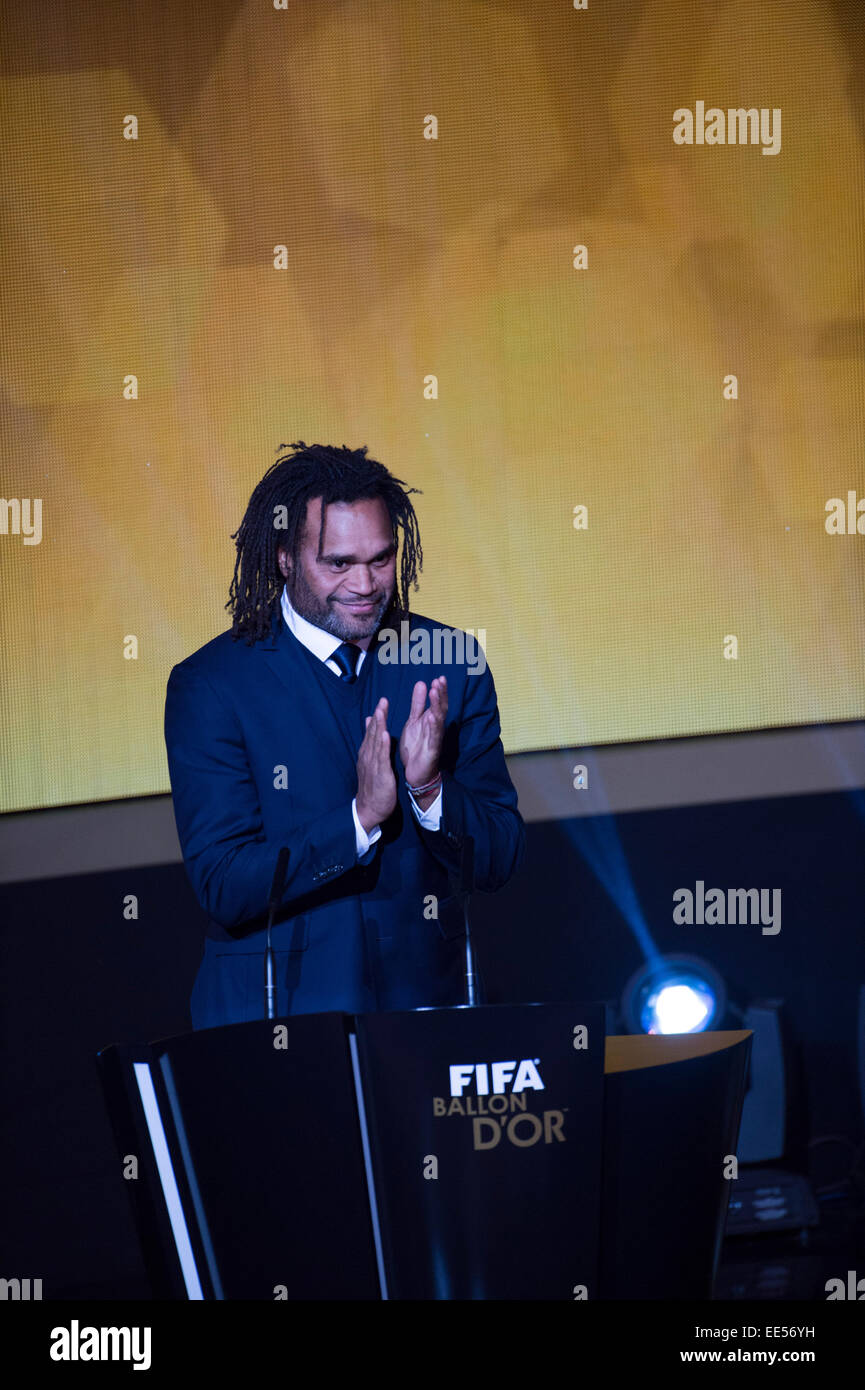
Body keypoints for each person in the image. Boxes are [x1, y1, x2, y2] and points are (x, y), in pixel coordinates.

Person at [164, 441, 525, 1027]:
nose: (365, 584)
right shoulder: (211, 685)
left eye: (381, 559)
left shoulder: (450, 661)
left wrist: (431, 790)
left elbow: (501, 855)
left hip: (425, 1017)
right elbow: (225, 883)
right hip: (276, 1024)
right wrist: (357, 822)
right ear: (284, 557)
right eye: (337, 563)